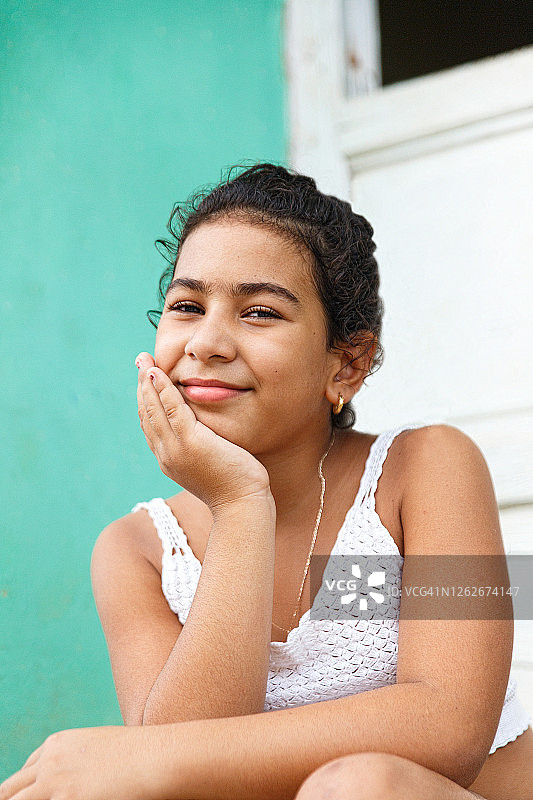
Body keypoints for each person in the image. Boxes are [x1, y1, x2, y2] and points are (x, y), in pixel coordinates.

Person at [2, 162, 532, 800]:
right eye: (187, 306)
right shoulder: (136, 550)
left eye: (258, 312)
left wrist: (141, 758)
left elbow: (448, 725)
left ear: (347, 364)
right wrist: (239, 506)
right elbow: (177, 783)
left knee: (358, 787)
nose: (207, 342)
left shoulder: (422, 472)